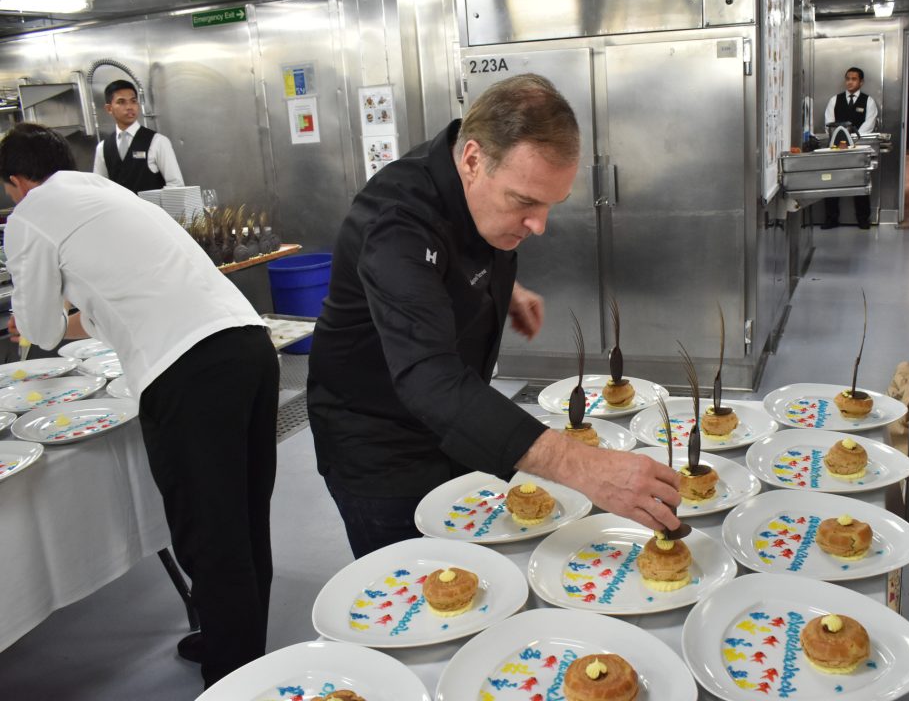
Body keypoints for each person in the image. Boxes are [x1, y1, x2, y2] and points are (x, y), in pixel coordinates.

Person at [307, 73, 682, 559]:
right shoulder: (396, 222)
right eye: (525, 202)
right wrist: (584, 467)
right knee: (422, 578)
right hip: (380, 442)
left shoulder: (473, 184)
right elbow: (430, 379)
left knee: (475, 561)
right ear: (472, 160)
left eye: (550, 205)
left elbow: (451, 261)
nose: (539, 225)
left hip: (457, 424)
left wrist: (501, 290)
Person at [2, 123, 277, 689]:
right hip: (248, 345)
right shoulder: (108, 192)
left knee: (209, 528)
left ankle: (232, 677)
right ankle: (235, 642)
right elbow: (122, 296)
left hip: (188, 372)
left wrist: (30, 320)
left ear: (16, 183)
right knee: (244, 514)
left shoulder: (30, 215)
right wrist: (69, 317)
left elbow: (39, 329)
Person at [92, 79, 184, 192]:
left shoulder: (158, 141)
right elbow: (100, 188)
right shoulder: (102, 148)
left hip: (151, 204)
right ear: (109, 108)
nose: (129, 107)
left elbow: (176, 185)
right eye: (121, 102)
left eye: (133, 101)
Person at [822, 67, 879, 230]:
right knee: (833, 182)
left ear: (861, 82)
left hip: (859, 147)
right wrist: (840, 138)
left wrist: (851, 139)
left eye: (854, 79)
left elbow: (869, 124)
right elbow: (829, 123)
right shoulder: (835, 100)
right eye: (848, 78)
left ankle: (863, 219)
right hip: (836, 148)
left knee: (860, 181)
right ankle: (831, 218)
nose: (850, 82)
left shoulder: (868, 101)